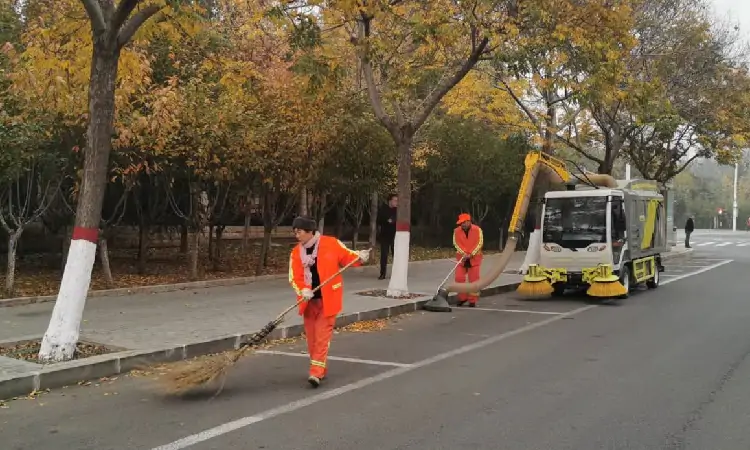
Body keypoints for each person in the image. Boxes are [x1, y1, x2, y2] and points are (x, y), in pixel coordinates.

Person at [288, 216, 371, 388]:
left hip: (328, 300)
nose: (297, 235)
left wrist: (360, 257)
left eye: (299, 232)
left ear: (310, 231)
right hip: (308, 302)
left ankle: (315, 373)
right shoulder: (296, 253)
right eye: (295, 232)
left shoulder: (331, 243)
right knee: (312, 339)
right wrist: (302, 290)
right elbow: (294, 277)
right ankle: (320, 368)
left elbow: (348, 257)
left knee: (322, 337)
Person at [453, 213, 484, 307]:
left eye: (464, 222)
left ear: (469, 221)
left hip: (474, 258)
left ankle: (472, 300)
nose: (462, 225)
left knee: (474, 280)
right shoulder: (456, 231)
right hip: (461, 258)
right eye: (461, 223)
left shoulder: (477, 230)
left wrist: (471, 254)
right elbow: (456, 243)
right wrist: (463, 253)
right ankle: (462, 298)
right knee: (459, 278)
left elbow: (480, 243)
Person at [376, 194, 398, 280]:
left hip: (395, 236)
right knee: (384, 255)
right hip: (385, 235)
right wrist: (387, 220)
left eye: (397, 201)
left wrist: (392, 220)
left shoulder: (397, 211)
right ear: (390, 201)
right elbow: (379, 220)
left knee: (395, 255)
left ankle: (396, 274)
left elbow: (396, 220)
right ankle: (382, 273)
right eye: (395, 200)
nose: (396, 202)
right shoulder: (383, 209)